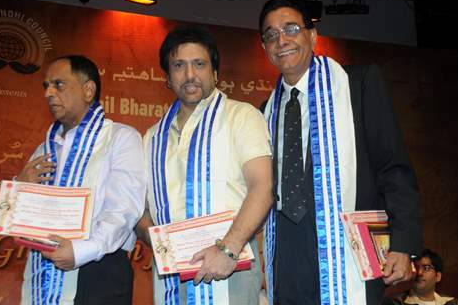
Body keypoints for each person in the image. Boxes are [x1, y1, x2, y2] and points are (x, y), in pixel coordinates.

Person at [258, 0, 423, 305]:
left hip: (349, 254)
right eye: (271, 34)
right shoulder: (265, 111)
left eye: (291, 28)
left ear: (313, 35)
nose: (281, 40)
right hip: (287, 260)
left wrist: (403, 244)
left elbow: (393, 168)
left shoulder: (357, 84)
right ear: (265, 48)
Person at [135, 26, 274, 304]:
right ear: (167, 78)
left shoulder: (242, 117)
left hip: (230, 269)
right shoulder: (152, 136)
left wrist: (229, 249)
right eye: (179, 66)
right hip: (171, 278)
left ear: (215, 73)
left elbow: (264, 186)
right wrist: (164, 246)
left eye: (199, 64)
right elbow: (139, 210)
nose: (189, 75)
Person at [17, 55, 146, 304]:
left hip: (99, 270)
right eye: (46, 86)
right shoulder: (43, 150)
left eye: (59, 84)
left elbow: (125, 210)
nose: (48, 94)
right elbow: (20, 225)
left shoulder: (120, 138)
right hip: (41, 271)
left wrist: (82, 250)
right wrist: (21, 188)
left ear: (88, 90)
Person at [384, 248, 458, 305]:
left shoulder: (454, 303)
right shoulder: (396, 302)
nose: (419, 273)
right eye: (416, 267)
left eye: (426, 268)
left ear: (438, 276)